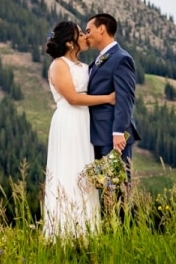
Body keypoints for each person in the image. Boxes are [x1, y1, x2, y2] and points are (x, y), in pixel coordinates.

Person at [43, 21, 116, 239]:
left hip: (86, 123)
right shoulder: (59, 65)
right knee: (69, 170)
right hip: (69, 121)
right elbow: (73, 98)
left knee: (85, 173)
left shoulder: (86, 67)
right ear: (69, 42)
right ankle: (64, 233)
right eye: (80, 33)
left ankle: (86, 232)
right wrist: (109, 99)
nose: (85, 36)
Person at [85, 13, 141, 187]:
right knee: (106, 191)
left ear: (102, 29)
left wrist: (118, 132)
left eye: (89, 30)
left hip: (113, 137)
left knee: (117, 191)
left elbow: (125, 98)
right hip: (99, 135)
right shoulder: (99, 60)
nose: (86, 36)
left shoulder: (121, 58)